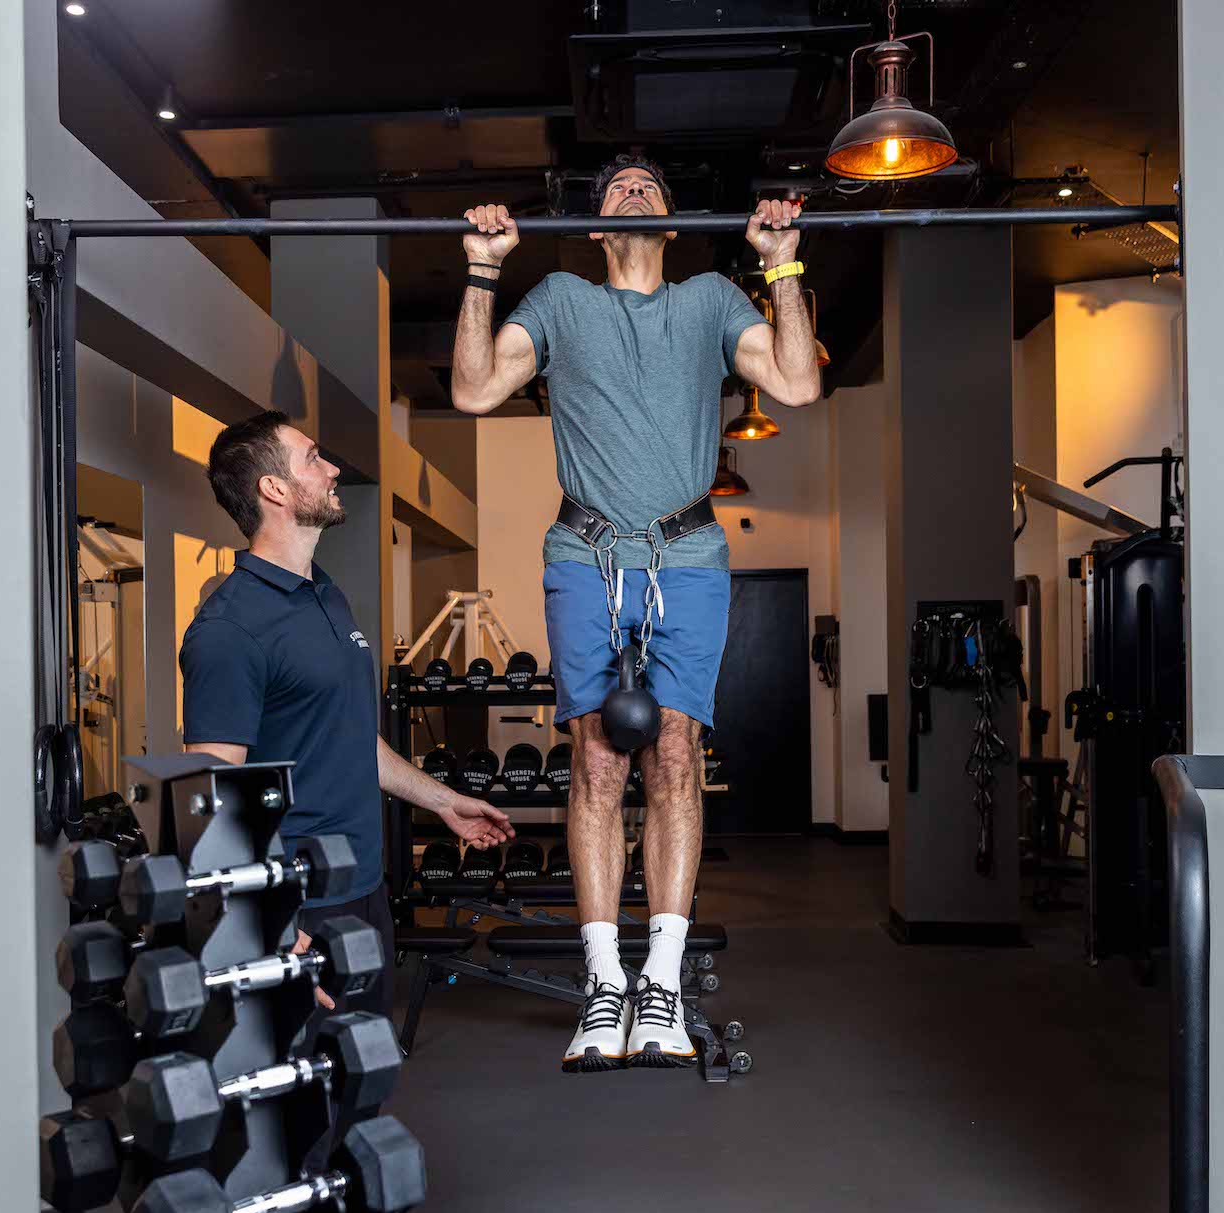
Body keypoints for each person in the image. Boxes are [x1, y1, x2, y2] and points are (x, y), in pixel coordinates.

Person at [450, 155, 820, 1070]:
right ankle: (603, 985)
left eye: (648, 182)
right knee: (596, 761)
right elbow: (472, 389)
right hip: (585, 551)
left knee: (677, 754)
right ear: (596, 225)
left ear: (671, 218)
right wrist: (483, 271)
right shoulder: (563, 302)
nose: (632, 185)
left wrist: (780, 266)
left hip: (688, 553)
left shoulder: (708, 301)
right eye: (614, 182)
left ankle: (660, 981)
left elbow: (799, 382)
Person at [179, 410, 515, 1016]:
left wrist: (444, 803)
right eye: (313, 457)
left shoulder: (325, 593)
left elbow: (350, 737)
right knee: (307, 1101)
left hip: (364, 886)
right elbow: (206, 794)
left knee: (368, 1081)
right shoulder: (230, 629)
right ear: (274, 489)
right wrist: (270, 924)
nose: (333, 468)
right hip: (300, 905)